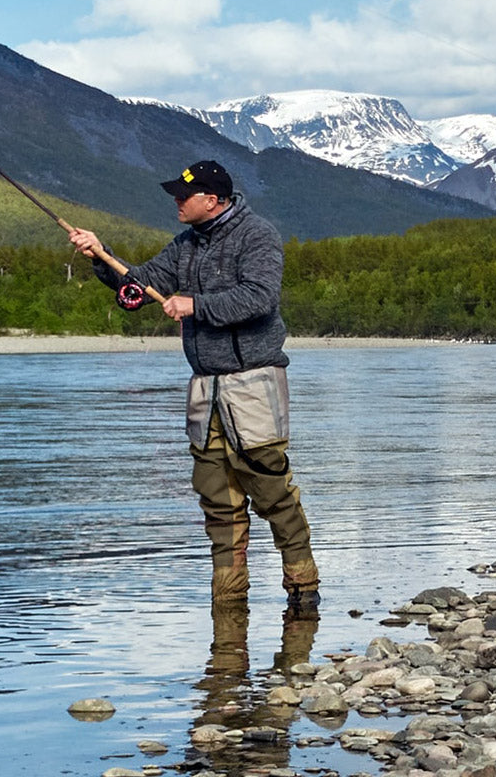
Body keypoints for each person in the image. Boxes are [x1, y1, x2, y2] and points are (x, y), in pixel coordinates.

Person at [69, 159, 319, 608]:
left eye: (184, 196)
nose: (176, 203)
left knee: (274, 496)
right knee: (217, 503)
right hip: (206, 392)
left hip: (254, 384)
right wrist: (99, 255)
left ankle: (303, 594)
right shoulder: (186, 244)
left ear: (213, 199)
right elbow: (139, 286)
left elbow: (261, 298)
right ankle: (228, 607)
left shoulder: (257, 235)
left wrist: (194, 305)